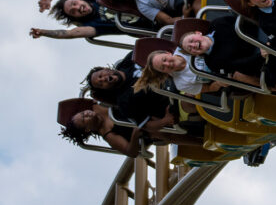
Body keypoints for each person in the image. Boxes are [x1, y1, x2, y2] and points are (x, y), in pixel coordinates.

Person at [59, 102, 200, 157]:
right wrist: (134, 135)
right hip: (148, 127)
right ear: (87, 130)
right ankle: (202, 141)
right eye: (84, 119)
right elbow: (130, 151)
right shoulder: (108, 134)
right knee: (160, 132)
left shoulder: (97, 105)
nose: (87, 114)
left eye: (83, 113)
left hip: (142, 107)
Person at [178, 16, 276, 89]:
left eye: (191, 41)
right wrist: (260, 56)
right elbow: (241, 65)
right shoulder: (213, 63)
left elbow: (245, 22)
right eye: (190, 49)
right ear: (195, 55)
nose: (193, 45)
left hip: (260, 35)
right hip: (260, 57)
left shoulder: (217, 24)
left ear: (198, 33)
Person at [85, 53, 171, 125]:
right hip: (174, 100)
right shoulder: (124, 102)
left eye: (100, 75)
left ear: (106, 69)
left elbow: (156, 48)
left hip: (176, 70)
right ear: (105, 89)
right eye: (101, 84)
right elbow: (146, 125)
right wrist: (165, 121)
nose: (103, 79)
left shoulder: (130, 59)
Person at [133, 49, 224, 96]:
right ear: (164, 73)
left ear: (168, 53)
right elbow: (210, 88)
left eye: (164, 59)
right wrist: (220, 83)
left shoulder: (184, 48)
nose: (167, 64)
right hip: (223, 76)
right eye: (163, 67)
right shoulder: (181, 84)